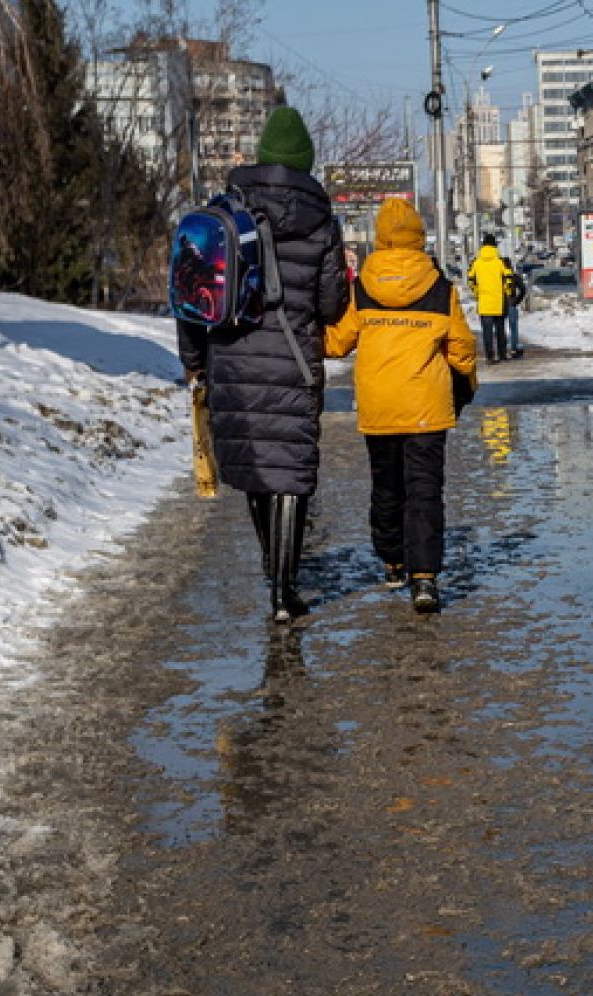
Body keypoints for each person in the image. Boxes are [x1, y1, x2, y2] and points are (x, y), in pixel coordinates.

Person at [177, 105, 347, 623]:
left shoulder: (225, 214)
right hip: (294, 362)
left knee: (255, 469)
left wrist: (194, 362)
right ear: (306, 161)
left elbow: (191, 295)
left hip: (231, 361)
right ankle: (284, 589)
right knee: (291, 473)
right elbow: (332, 304)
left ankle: (272, 572)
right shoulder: (322, 223)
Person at [324, 197, 478, 614]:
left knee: (387, 486)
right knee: (425, 489)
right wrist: (467, 380)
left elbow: (336, 343)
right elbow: (461, 347)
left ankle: (393, 561)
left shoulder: (361, 289)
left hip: (378, 404)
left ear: (380, 238)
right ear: (419, 236)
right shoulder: (439, 287)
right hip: (426, 404)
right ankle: (425, 578)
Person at [466, 235, 517, 363]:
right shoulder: (500, 262)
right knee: (500, 330)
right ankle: (502, 354)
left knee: (487, 332)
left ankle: (490, 356)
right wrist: (508, 292)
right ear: (495, 246)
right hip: (499, 302)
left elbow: (471, 280)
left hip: (484, 302)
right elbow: (509, 279)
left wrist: (478, 293)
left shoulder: (476, 263)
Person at [500, 253, 527, 358]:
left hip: (500, 304)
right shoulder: (514, 276)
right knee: (513, 327)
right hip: (512, 303)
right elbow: (523, 289)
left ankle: (502, 348)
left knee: (500, 327)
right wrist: (517, 301)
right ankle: (514, 348)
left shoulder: (499, 277)